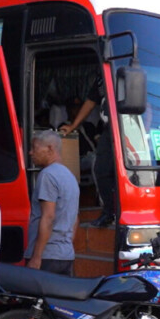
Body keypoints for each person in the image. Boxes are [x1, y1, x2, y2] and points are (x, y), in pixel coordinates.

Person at [24, 130, 80, 276]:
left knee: (38, 298)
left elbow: (48, 217)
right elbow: (75, 219)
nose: (30, 153)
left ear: (49, 148)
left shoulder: (47, 175)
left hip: (47, 257)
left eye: (34, 148)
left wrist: (36, 257)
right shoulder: (70, 177)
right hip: (65, 255)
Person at [62, 75, 114, 227]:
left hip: (127, 126)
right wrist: (73, 126)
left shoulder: (127, 69)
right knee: (101, 169)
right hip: (109, 129)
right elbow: (91, 102)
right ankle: (108, 212)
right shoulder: (101, 78)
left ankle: (122, 211)